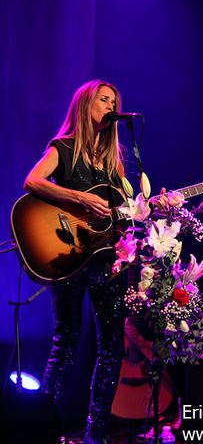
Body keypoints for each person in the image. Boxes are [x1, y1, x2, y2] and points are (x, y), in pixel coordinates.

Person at [24, 79, 129, 444]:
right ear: (86, 105)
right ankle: (42, 429)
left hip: (105, 259)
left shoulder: (113, 163)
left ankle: (95, 435)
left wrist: (152, 208)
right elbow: (33, 181)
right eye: (103, 99)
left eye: (113, 101)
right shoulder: (64, 148)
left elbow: (121, 212)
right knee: (66, 340)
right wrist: (79, 199)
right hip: (67, 255)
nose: (109, 106)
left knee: (113, 343)